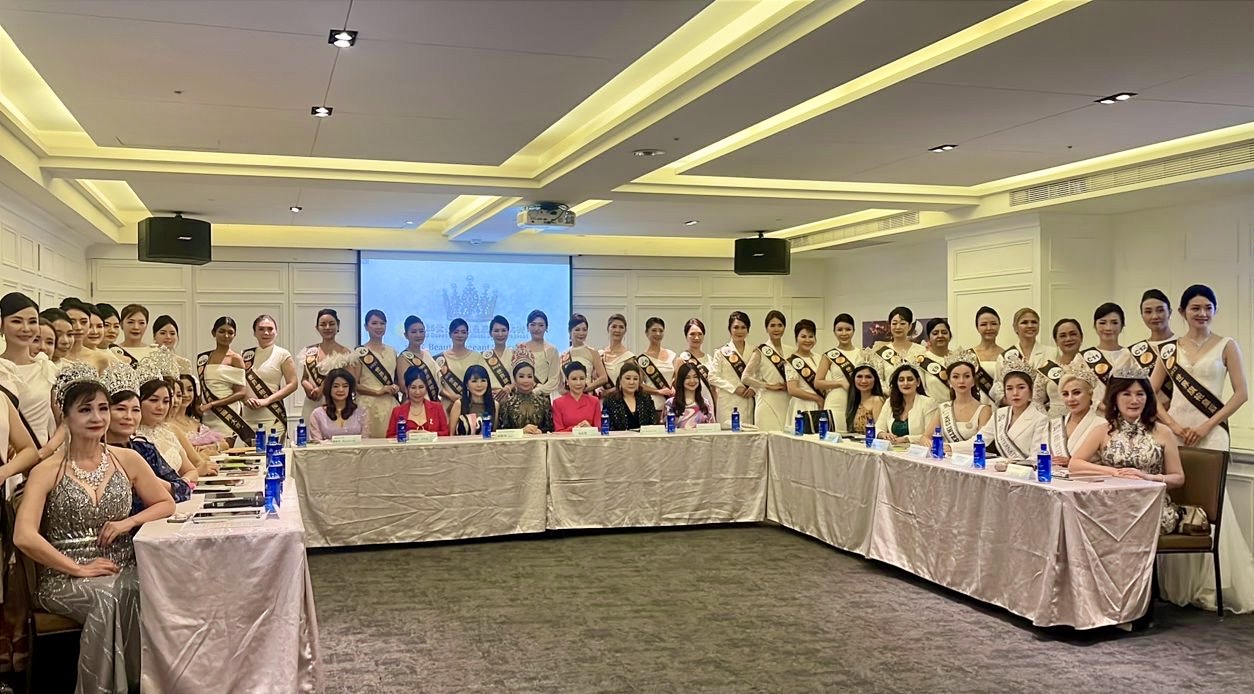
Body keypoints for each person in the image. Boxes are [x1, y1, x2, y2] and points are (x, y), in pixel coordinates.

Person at [13, 375, 174, 694]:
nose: (97, 417)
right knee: (107, 597)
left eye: (103, 408)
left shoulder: (127, 459)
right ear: (65, 416)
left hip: (124, 565)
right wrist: (78, 569)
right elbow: (24, 536)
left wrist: (128, 523)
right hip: (63, 577)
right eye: (85, 410)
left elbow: (165, 503)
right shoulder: (47, 470)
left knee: (152, 586)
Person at [1150, 284, 1254, 614]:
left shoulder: (1227, 345)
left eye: (1208, 307)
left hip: (1212, 434)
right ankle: (1179, 583)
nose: (1202, 313)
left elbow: (1241, 393)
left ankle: (1212, 583)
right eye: (1195, 307)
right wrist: (1173, 425)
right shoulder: (1168, 349)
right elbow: (1150, 393)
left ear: (1215, 310)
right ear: (1182, 312)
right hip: (1177, 435)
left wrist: (1208, 425)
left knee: (1212, 505)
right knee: (1179, 499)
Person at [1069, 371, 1184, 530]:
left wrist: (1147, 477)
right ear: (1115, 398)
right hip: (1110, 504)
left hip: (1151, 504)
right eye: (1126, 394)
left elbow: (1178, 478)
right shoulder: (1103, 430)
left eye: (1140, 394)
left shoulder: (1163, 432)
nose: (1134, 400)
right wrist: (1113, 472)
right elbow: (1074, 464)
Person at [100, 363, 195, 507]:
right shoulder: (94, 453)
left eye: (135, 410)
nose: (129, 416)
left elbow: (182, 489)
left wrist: (149, 481)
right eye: (120, 409)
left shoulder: (144, 449)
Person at [949, 357, 1048, 458]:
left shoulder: (1041, 419)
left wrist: (1010, 465)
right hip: (1002, 466)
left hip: (1024, 467)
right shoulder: (1000, 414)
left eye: (1021, 387)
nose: (1015, 393)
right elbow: (979, 441)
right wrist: (949, 447)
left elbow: (1037, 457)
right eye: (1009, 388)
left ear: (1031, 391)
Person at [0, 292, 58, 446]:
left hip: (42, 453)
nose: (26, 328)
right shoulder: (2, 369)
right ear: (2, 324)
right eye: (16, 321)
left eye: (32, 322)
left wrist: (46, 451)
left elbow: (64, 421)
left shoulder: (47, 369)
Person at [242, 314, 298, 439]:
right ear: (254, 332)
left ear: (276, 332)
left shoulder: (282, 354)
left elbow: (293, 383)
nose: (266, 333)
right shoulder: (245, 355)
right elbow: (237, 384)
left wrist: (266, 401)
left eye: (270, 329)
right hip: (247, 417)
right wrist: (245, 399)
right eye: (261, 329)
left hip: (272, 416)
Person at [195, 317, 249, 445]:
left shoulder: (236, 359)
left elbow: (241, 392)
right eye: (221, 331)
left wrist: (213, 404)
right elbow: (203, 386)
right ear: (213, 333)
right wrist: (198, 405)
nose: (226, 335)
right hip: (207, 413)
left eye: (230, 332)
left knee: (224, 448)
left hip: (227, 413)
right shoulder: (204, 358)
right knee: (207, 450)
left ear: (234, 335)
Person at [1043, 361, 1103, 466]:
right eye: (1065, 394)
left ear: (1090, 394)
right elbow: (1039, 455)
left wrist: (1073, 463)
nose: (1070, 399)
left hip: (1087, 476)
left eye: (1076, 393)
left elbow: (1108, 464)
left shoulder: (1102, 425)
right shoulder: (1053, 424)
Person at [300, 308, 354, 422]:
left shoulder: (345, 353)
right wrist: (307, 386)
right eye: (323, 324)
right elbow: (304, 377)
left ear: (338, 326)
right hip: (311, 403)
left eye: (331, 324)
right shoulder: (310, 351)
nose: (327, 327)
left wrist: (322, 389)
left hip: (335, 404)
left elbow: (349, 381)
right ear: (317, 328)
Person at [743, 311, 791, 432]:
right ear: (766, 328)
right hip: (767, 401)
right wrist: (768, 386)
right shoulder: (760, 351)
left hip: (787, 400)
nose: (776, 329)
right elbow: (745, 377)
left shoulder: (791, 351)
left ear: (784, 327)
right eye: (772, 325)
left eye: (780, 325)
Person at [924, 356, 991, 443]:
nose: (961, 381)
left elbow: (982, 442)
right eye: (956, 377)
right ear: (949, 382)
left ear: (973, 381)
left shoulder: (984, 410)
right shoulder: (943, 408)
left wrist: (950, 448)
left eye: (967, 376)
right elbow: (926, 437)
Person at [355, 309, 400, 439]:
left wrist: (396, 387)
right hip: (367, 406)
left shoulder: (392, 351)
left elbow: (396, 380)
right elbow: (355, 385)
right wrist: (377, 392)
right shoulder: (359, 352)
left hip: (390, 405)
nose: (379, 327)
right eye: (374, 323)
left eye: (382, 323)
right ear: (366, 326)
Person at [709, 311, 755, 427]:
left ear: (748, 330)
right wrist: (734, 388)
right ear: (729, 329)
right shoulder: (721, 352)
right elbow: (712, 377)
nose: (739, 331)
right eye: (736, 327)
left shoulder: (754, 351)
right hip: (728, 401)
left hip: (748, 400)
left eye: (743, 327)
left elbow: (760, 375)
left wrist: (754, 388)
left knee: (748, 434)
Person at [815, 313, 862, 428]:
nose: (844, 333)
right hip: (836, 403)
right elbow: (817, 382)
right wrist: (840, 383)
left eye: (848, 329)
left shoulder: (862, 353)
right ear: (834, 332)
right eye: (840, 330)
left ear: (854, 331)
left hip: (858, 402)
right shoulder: (829, 355)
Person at [1035, 318, 1088, 417]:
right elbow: (1037, 401)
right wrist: (1047, 421)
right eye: (1063, 336)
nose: (1068, 339)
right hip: (1054, 422)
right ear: (1056, 341)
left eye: (1073, 334)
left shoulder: (1091, 366)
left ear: (1081, 337)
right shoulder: (1047, 368)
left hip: (1086, 421)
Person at [786, 319, 831, 433]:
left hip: (820, 405)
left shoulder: (820, 357)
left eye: (811, 336)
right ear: (796, 338)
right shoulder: (792, 361)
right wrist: (817, 398)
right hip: (802, 405)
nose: (807, 340)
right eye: (803, 336)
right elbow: (792, 389)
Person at [1133, 288, 1176, 405]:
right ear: (1142, 315)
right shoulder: (1133, 353)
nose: (1154, 316)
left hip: (1182, 412)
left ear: (1170, 312)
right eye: (1148, 312)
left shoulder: (1183, 344)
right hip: (1148, 413)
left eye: (1160, 310)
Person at [875, 364, 938, 444]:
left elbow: (930, 435)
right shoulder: (889, 402)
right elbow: (877, 428)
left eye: (910, 379)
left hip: (919, 449)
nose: (905, 383)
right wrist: (883, 434)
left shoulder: (929, 403)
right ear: (897, 383)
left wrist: (906, 439)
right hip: (893, 448)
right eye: (901, 380)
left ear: (918, 382)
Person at [437, 318, 487, 413]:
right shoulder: (440, 359)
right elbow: (436, 385)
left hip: (472, 407)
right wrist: (450, 396)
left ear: (467, 334)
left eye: (463, 332)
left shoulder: (477, 356)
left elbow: (483, 381)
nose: (460, 335)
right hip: (448, 407)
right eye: (456, 332)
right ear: (450, 334)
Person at [386, 365, 449, 438]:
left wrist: (430, 434)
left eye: (421, 387)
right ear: (407, 389)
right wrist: (404, 435)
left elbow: (446, 433)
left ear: (426, 388)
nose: (417, 392)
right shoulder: (397, 411)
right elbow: (389, 437)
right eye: (413, 388)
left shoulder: (437, 408)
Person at [395, 315, 444, 406]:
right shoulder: (403, 358)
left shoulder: (427, 354)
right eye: (413, 332)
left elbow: (436, 383)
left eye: (421, 331)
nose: (418, 335)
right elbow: (403, 387)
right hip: (414, 405)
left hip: (432, 402)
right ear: (406, 335)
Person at [497, 357, 555, 434]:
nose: (526, 380)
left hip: (538, 440)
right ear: (515, 379)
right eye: (521, 376)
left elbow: (550, 428)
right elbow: (502, 431)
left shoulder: (544, 402)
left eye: (529, 376)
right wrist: (522, 431)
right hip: (515, 442)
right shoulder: (507, 403)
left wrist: (540, 431)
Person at [870, 306, 925, 384]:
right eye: (894, 323)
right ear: (890, 325)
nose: (898, 327)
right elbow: (878, 381)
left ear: (910, 326)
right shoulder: (881, 352)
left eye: (902, 323)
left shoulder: (921, 350)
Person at [308, 368, 367, 442]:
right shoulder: (317, 414)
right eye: (336, 386)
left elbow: (366, 441)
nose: (341, 390)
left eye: (345, 386)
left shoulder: (361, 412)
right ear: (329, 388)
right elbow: (316, 443)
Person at [672, 318, 716, 412]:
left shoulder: (710, 359)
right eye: (692, 334)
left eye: (700, 334)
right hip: (689, 406)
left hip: (708, 402)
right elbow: (677, 386)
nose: (696, 337)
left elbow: (713, 387)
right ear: (686, 336)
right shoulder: (681, 359)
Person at [997, 308, 1049, 387]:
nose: (1030, 326)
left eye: (1034, 322)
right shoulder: (1004, 357)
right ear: (1015, 327)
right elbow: (997, 386)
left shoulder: (1052, 352)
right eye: (1024, 322)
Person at [516, 310, 561, 401]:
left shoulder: (552, 350)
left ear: (546, 327)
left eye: (541, 325)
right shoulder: (520, 348)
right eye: (533, 325)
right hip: (520, 396)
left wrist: (538, 390)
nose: (536, 328)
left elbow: (554, 379)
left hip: (542, 398)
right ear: (527, 327)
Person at [636, 316, 676, 414]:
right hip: (652, 406)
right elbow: (639, 385)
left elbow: (675, 377)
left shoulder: (672, 355)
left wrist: (674, 387)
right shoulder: (642, 359)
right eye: (654, 330)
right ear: (646, 333)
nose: (658, 334)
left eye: (661, 331)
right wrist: (658, 392)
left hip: (671, 405)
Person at [561, 314, 609, 395]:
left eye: (584, 330)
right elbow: (560, 383)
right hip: (568, 397)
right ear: (570, 331)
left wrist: (585, 388)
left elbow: (603, 378)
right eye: (577, 330)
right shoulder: (563, 355)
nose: (581, 333)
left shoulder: (592, 352)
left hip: (586, 396)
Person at [1081, 302, 1128, 384]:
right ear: (1095, 326)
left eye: (1114, 323)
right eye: (1102, 323)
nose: (1108, 328)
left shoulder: (1130, 356)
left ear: (1122, 325)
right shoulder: (1082, 359)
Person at [603, 362, 658, 431]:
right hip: (619, 437)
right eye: (628, 378)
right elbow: (608, 428)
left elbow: (653, 424)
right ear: (620, 380)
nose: (631, 382)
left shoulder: (646, 398)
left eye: (635, 379)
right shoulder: (610, 400)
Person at [61, 298, 110, 372]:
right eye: (72, 322)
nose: (78, 327)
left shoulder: (100, 359)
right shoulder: (51, 354)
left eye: (84, 322)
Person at [916, 318, 956, 403]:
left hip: (958, 407)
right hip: (932, 408)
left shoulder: (958, 358)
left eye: (944, 332)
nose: (940, 336)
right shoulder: (921, 361)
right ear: (929, 337)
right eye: (935, 333)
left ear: (950, 336)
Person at [552, 361, 600, 432]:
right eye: (574, 379)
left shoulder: (594, 401)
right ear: (567, 381)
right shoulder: (558, 403)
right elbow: (558, 431)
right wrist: (576, 429)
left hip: (590, 439)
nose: (578, 383)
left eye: (582, 378)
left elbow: (599, 430)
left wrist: (590, 428)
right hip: (567, 439)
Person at [448, 364, 495, 436]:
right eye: (474, 381)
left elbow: (494, 432)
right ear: (467, 384)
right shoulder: (459, 404)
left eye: (483, 380)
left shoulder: (495, 404)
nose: (479, 385)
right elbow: (451, 435)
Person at [665, 363, 714, 430]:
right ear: (681, 380)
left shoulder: (706, 403)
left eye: (695, 377)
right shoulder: (670, 403)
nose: (692, 381)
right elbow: (665, 430)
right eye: (687, 378)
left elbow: (712, 429)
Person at [972, 306, 1004, 405]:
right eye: (984, 324)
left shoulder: (1006, 355)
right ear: (977, 327)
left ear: (999, 325)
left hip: (1000, 407)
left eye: (993, 324)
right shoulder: (969, 355)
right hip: (975, 406)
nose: (989, 328)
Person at [600, 314, 635, 398]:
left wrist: (610, 391)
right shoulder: (599, 354)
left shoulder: (629, 357)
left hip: (621, 400)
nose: (617, 330)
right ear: (608, 328)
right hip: (600, 401)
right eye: (614, 326)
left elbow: (631, 382)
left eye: (621, 327)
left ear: (625, 331)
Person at [846, 362, 886, 434]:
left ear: (875, 380)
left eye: (868, 377)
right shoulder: (854, 401)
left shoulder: (877, 400)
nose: (863, 381)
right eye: (859, 376)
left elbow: (879, 431)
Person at [483, 315, 516, 400]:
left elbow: (520, 379)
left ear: (508, 332)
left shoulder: (515, 355)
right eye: (496, 331)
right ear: (490, 333)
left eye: (503, 330)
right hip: (488, 399)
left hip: (510, 399)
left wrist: (509, 387)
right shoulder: (483, 357)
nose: (500, 334)